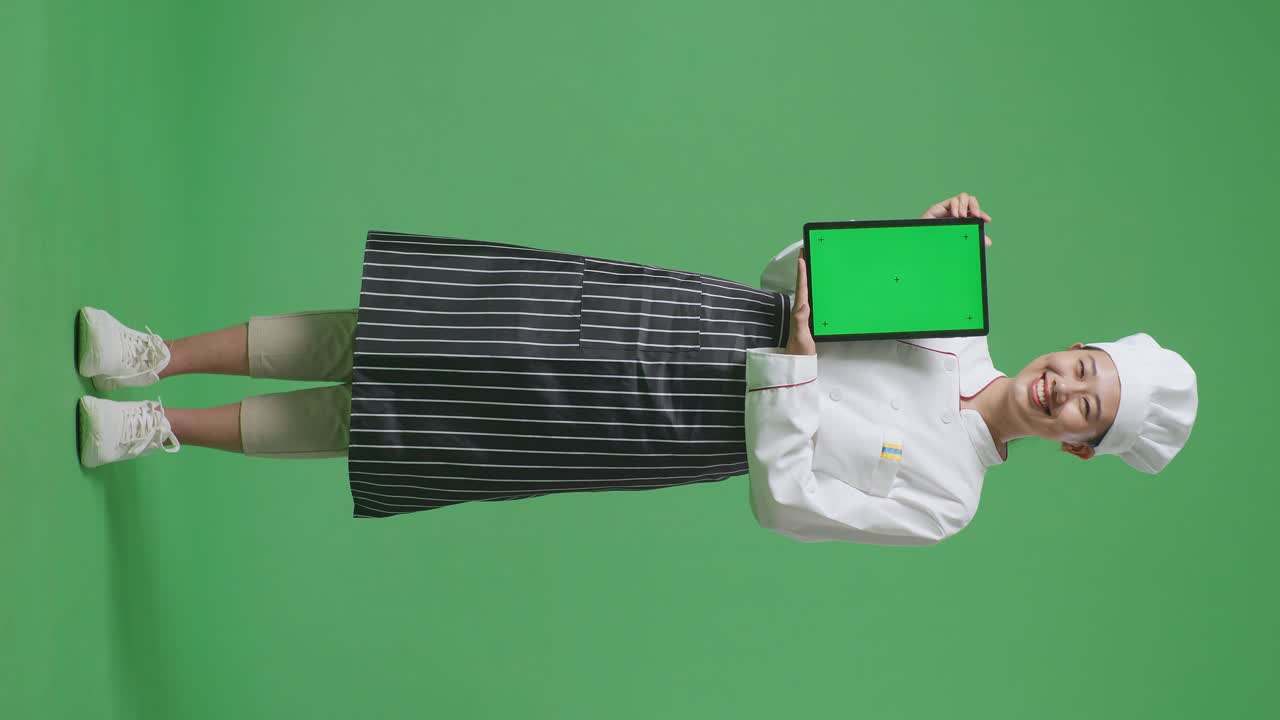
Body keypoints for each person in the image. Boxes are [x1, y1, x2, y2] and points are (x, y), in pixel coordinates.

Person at [75, 193, 1198, 544]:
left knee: (410, 424)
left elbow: (787, 502)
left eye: (1084, 408)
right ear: (1070, 346)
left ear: (1080, 447)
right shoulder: (956, 316)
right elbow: (785, 275)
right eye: (1081, 366)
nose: (1062, 387)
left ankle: (159, 429)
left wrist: (795, 376)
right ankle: (154, 354)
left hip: (672, 430)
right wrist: (906, 241)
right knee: (412, 323)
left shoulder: (949, 498)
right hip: (680, 315)